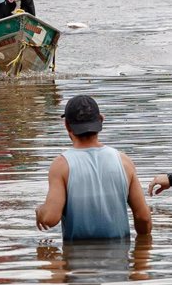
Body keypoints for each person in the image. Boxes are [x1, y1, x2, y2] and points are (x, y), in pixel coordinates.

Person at [35, 95, 152, 241]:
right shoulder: (124, 161)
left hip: (77, 260)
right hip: (118, 261)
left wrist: (40, 211)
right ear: (101, 120)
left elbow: (50, 218)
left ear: (67, 125)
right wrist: (142, 250)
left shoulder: (61, 166)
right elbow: (143, 217)